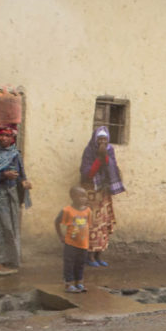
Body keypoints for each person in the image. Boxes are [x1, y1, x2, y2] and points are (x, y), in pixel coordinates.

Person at [0, 126, 32, 276]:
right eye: (1, 135)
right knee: (1, 226)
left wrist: (24, 183)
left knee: (9, 226)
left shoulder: (16, 154)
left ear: (12, 138)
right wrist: (4, 175)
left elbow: (22, 174)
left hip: (12, 194)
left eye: (7, 136)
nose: (3, 138)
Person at [79, 126, 125, 267]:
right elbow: (87, 173)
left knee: (103, 224)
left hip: (104, 192)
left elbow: (113, 167)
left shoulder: (110, 150)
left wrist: (105, 156)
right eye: (99, 140)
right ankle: (89, 256)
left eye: (105, 140)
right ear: (95, 140)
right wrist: (99, 159)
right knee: (92, 224)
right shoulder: (89, 151)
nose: (102, 143)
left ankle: (99, 255)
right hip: (91, 192)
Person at [55, 186, 92, 293]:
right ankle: (68, 284)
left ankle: (79, 282)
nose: (83, 199)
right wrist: (61, 236)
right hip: (71, 243)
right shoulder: (67, 211)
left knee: (80, 263)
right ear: (72, 197)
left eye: (85, 196)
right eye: (80, 196)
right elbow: (57, 222)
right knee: (69, 264)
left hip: (83, 243)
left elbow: (88, 225)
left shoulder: (88, 211)